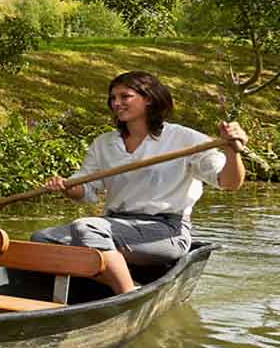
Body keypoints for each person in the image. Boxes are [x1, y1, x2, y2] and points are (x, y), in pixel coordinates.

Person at [33, 71, 248, 294]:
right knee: (42, 239)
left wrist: (233, 152)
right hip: (113, 226)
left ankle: (128, 297)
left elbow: (229, 182)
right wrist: (68, 187)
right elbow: (86, 190)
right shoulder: (105, 144)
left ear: (149, 99)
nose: (117, 103)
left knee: (87, 228)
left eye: (125, 96)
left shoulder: (184, 139)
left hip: (166, 230)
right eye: (113, 98)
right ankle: (126, 283)